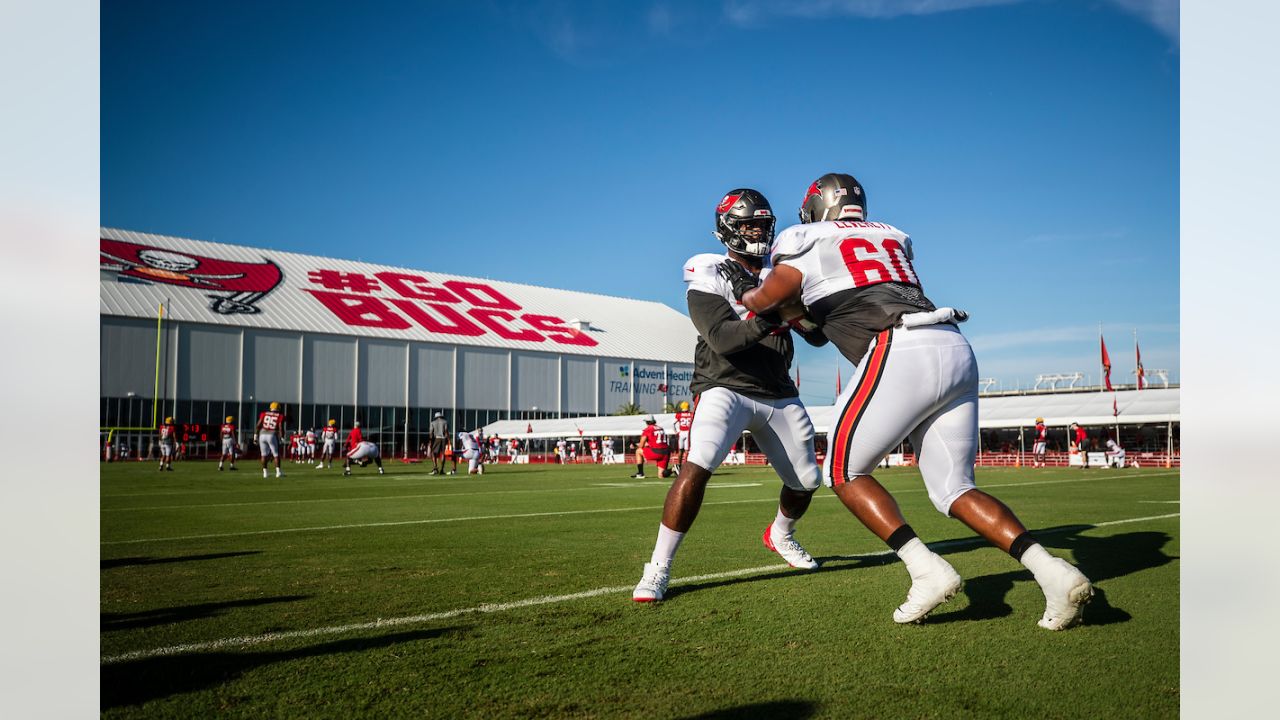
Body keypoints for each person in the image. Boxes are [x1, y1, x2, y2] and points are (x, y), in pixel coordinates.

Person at [735, 172, 1091, 630]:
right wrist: (795, 311)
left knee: (843, 472)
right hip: (953, 345)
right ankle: (1053, 572)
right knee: (955, 489)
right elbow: (822, 320)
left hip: (898, 347)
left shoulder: (803, 237)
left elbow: (768, 297)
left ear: (817, 209)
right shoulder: (890, 236)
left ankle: (926, 570)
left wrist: (746, 290)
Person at [633, 188, 826, 603]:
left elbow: (816, 338)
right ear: (728, 229)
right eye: (748, 224)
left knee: (808, 481)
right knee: (697, 466)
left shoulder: (783, 271)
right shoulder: (710, 269)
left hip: (777, 388)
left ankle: (780, 534)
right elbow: (721, 337)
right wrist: (772, 314)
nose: (757, 231)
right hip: (725, 384)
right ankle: (658, 567)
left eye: (762, 224)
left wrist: (802, 310)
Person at [255, 401, 286, 478]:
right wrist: (282, 437)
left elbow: (258, 425)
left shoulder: (264, 414)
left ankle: (265, 473)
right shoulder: (280, 415)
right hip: (272, 434)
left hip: (262, 434)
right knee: (276, 454)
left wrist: (255, 436)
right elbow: (280, 427)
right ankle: (278, 472)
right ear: (278, 408)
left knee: (263, 455)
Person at [674, 400, 694, 470]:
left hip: (682, 433)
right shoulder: (691, 414)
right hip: (688, 433)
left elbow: (673, 423)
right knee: (687, 450)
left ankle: (679, 464)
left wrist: (676, 431)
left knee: (680, 450)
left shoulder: (679, 415)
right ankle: (686, 464)